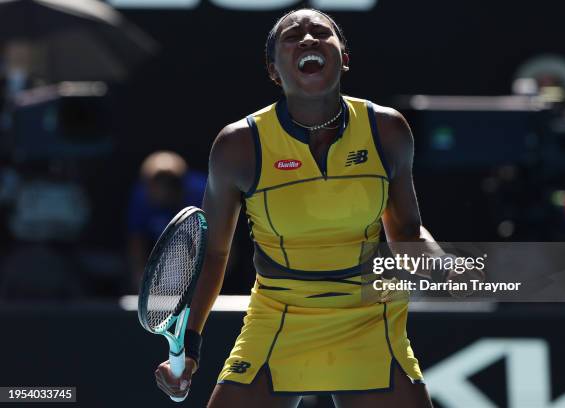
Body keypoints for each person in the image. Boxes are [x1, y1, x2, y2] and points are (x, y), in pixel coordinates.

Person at [155, 8, 476, 407]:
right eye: (293, 36)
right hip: (280, 314)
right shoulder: (238, 146)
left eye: (321, 32)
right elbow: (216, 252)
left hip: (369, 316)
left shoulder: (387, 130)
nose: (308, 39)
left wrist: (444, 268)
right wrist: (190, 346)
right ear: (274, 70)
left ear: (343, 58)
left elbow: (407, 234)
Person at [127, 150, 206, 291]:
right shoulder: (140, 197)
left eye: (168, 185)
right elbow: (136, 241)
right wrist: (139, 278)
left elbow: (223, 246)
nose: (158, 192)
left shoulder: (203, 194)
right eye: (152, 187)